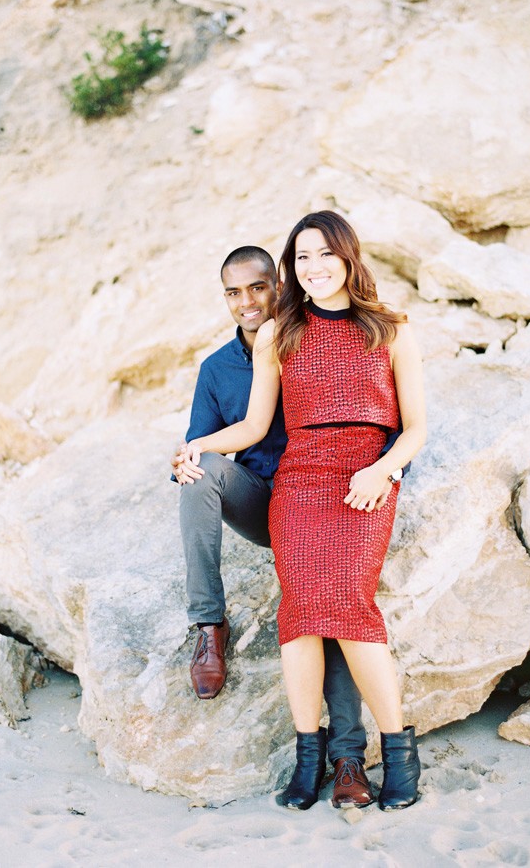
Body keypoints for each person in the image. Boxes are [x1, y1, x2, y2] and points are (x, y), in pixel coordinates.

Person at [182, 211, 427, 812]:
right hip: (300, 482)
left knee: (349, 607)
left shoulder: (392, 329)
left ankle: (398, 750)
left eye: (324, 255)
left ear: (348, 257)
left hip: (365, 480)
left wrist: (382, 469)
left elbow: (417, 427)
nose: (313, 268)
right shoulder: (280, 334)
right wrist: (197, 447)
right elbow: (255, 425)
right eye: (302, 258)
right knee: (299, 615)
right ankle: (308, 756)